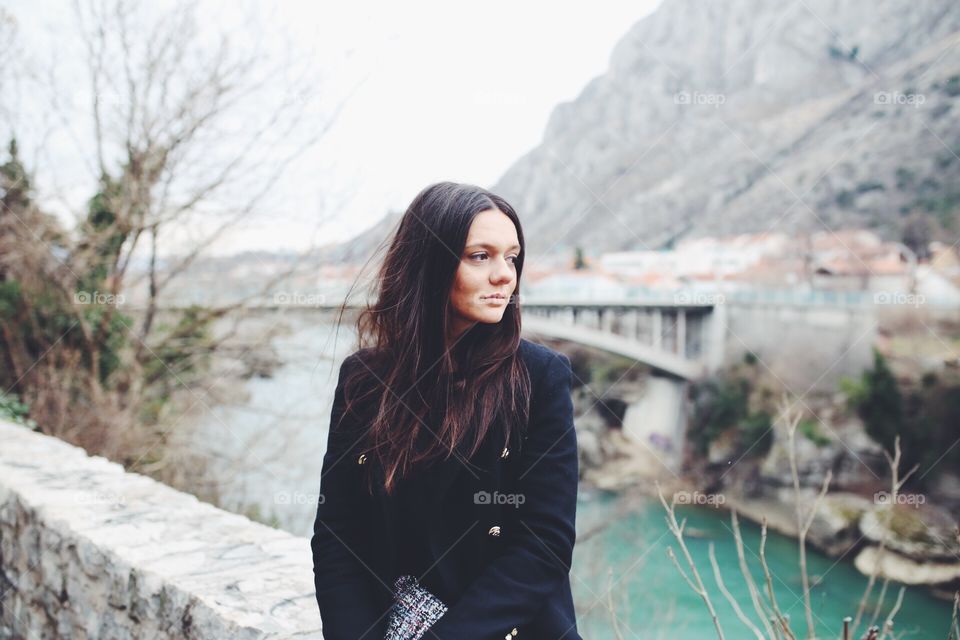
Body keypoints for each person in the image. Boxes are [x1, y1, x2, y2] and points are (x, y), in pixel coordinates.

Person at [311, 181, 583, 640]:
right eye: (481, 256)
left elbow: (544, 545)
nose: (505, 276)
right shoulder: (365, 379)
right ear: (430, 265)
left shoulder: (540, 378)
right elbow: (339, 533)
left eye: (512, 257)